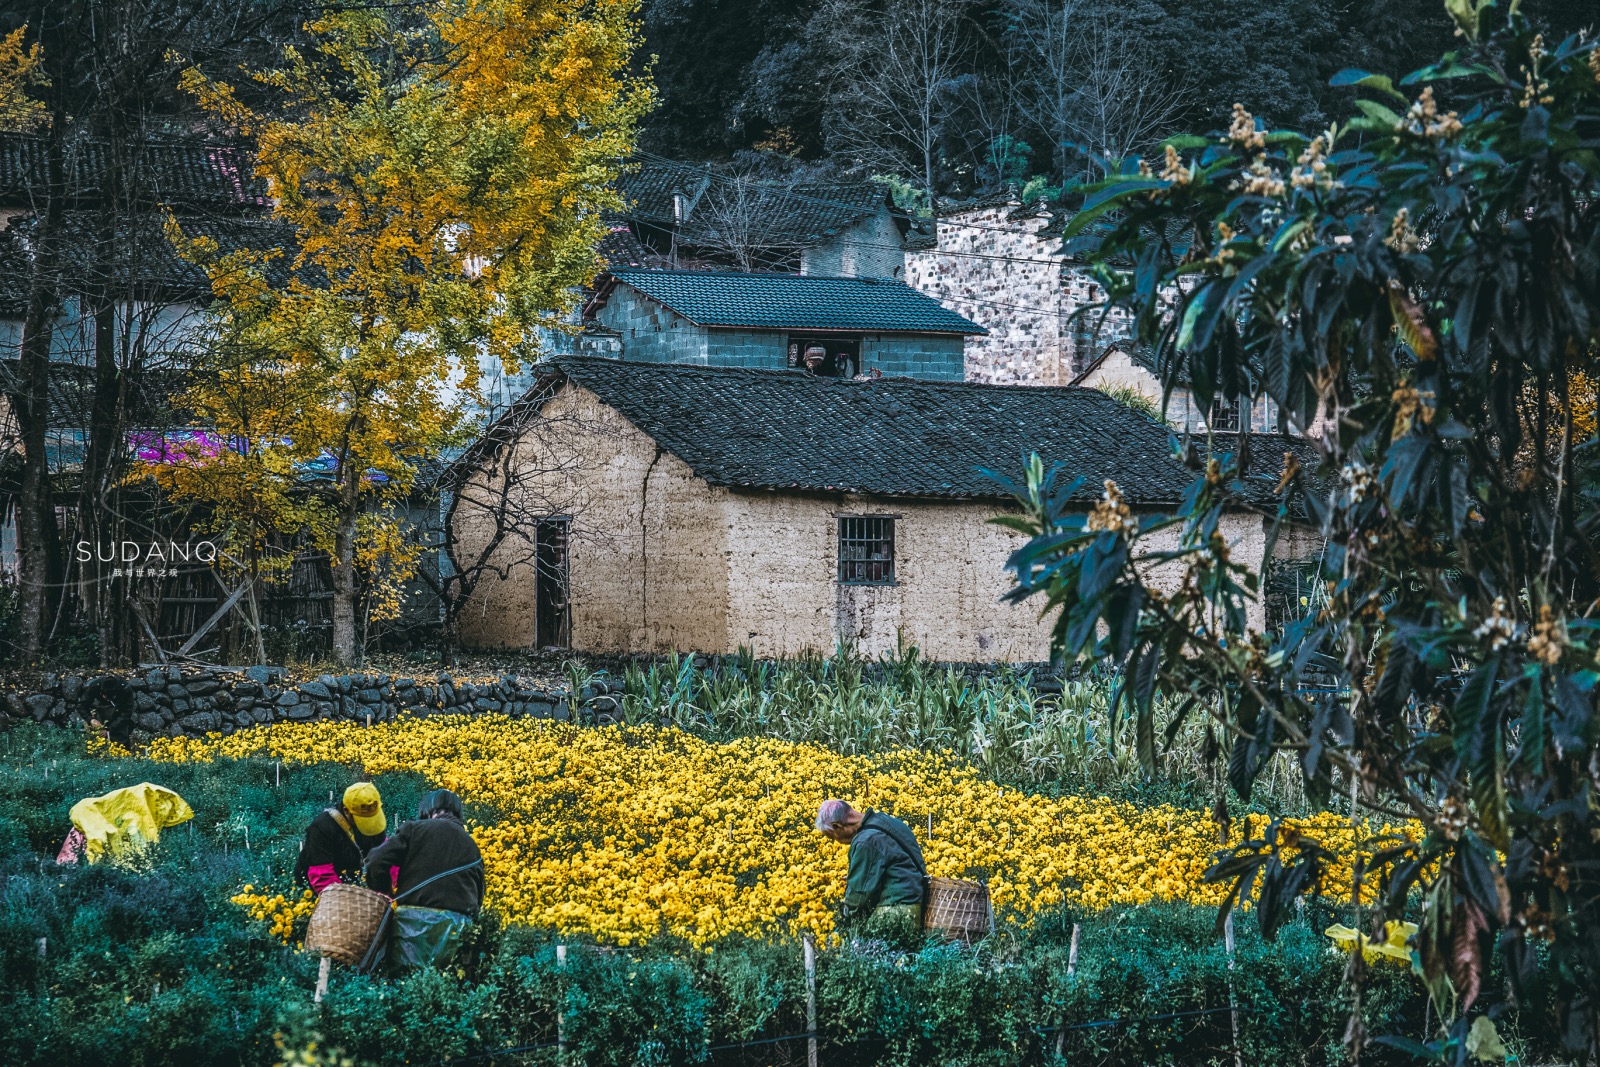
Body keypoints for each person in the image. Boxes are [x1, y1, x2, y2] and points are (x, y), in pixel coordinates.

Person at [364, 788, 484, 971]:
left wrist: (384, 890)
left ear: (428, 809)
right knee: (445, 985)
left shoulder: (414, 829)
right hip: (457, 927)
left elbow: (375, 861)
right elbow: (479, 892)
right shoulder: (471, 845)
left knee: (404, 981)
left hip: (412, 926)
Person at [815, 798, 927, 947]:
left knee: (870, 958)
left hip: (893, 910)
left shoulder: (865, 841)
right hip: (914, 904)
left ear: (837, 826)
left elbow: (859, 896)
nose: (836, 841)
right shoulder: (886, 821)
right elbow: (896, 860)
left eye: (832, 836)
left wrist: (843, 919)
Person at [295, 782, 388, 895]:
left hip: (355, 886)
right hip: (324, 892)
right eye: (362, 819)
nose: (370, 824)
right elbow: (321, 876)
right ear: (346, 811)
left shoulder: (375, 823)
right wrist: (348, 899)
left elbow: (385, 854)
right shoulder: (323, 827)